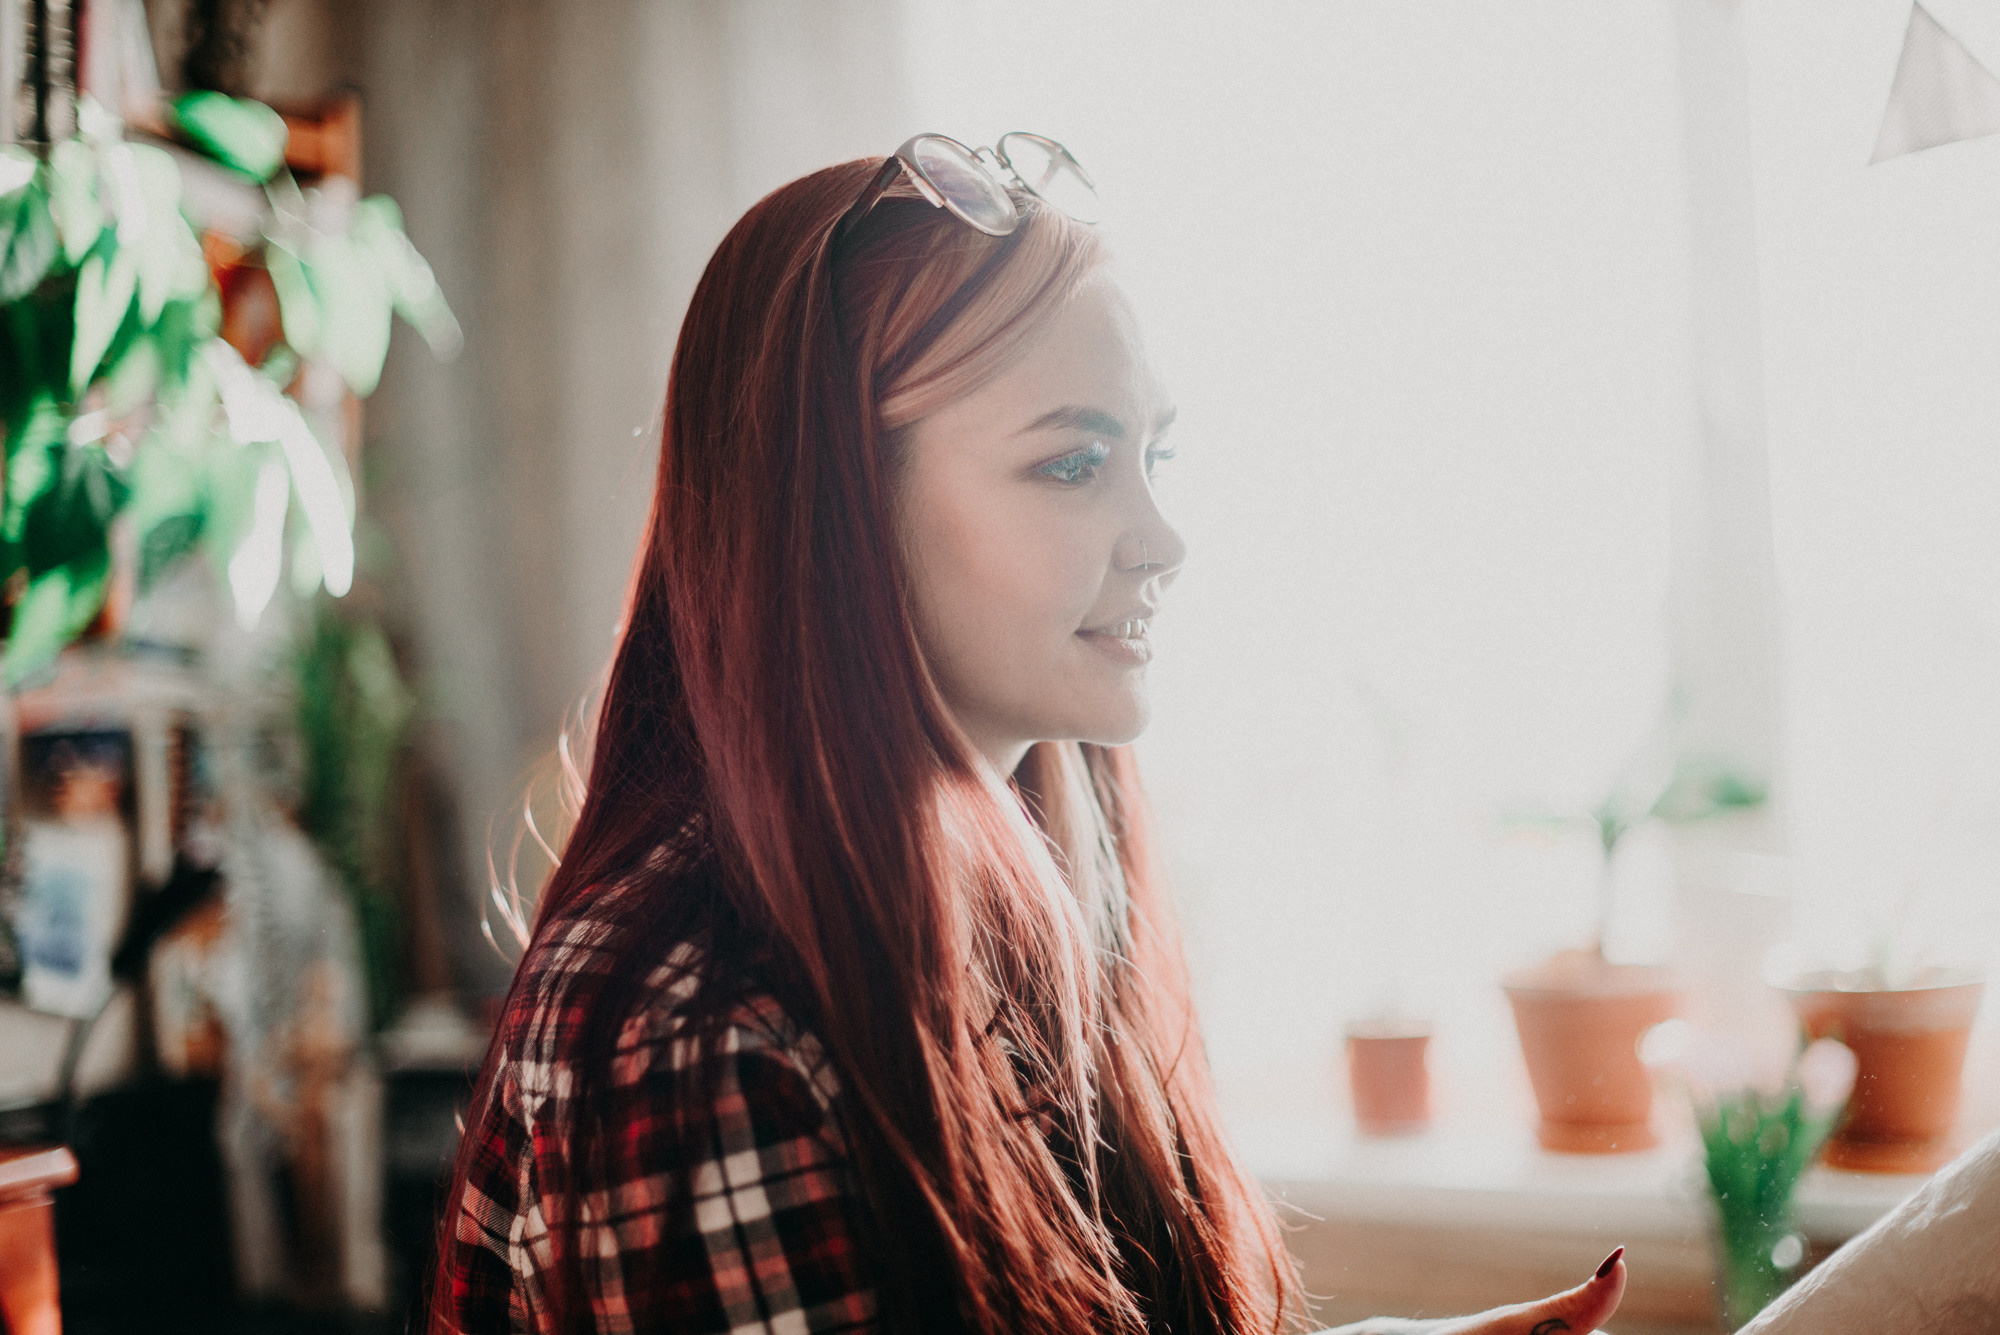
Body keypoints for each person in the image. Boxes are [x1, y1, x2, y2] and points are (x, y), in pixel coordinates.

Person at [430, 136, 1629, 1335]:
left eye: (1152, 456)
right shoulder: (698, 1029)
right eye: (1070, 463)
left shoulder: (993, 909)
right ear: (832, 515)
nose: (1162, 537)